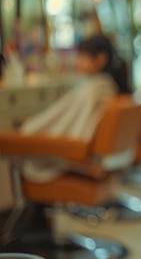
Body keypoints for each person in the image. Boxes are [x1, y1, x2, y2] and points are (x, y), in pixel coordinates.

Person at [19, 34, 131, 182]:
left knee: (16, 145)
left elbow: (77, 137)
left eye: (83, 56)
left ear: (101, 59)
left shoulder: (93, 91)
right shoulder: (107, 87)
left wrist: (29, 127)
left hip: (79, 160)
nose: (77, 61)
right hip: (109, 160)